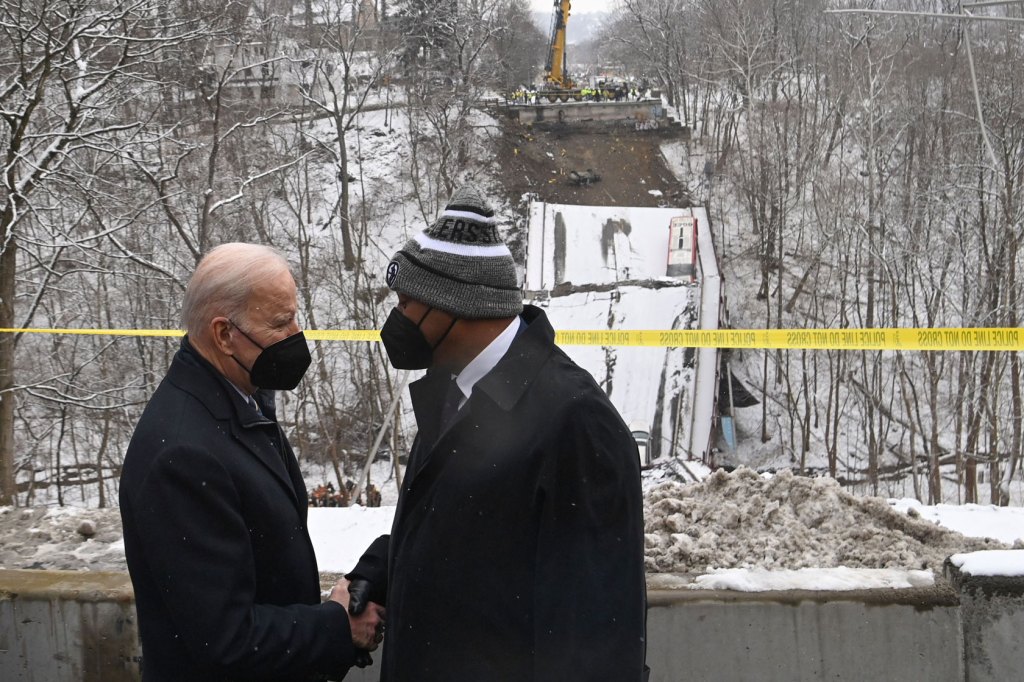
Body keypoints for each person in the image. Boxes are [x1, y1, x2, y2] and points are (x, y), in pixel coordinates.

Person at [347, 185, 648, 681]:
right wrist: (382, 569)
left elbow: (597, 639)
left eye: (406, 304)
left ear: (453, 304)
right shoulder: (454, 389)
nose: (395, 320)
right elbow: (466, 531)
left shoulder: (575, 422)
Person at [119, 243, 385, 681]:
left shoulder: (241, 399)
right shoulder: (184, 455)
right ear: (224, 335)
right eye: (281, 323)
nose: (298, 334)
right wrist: (338, 625)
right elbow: (223, 640)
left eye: (295, 316)